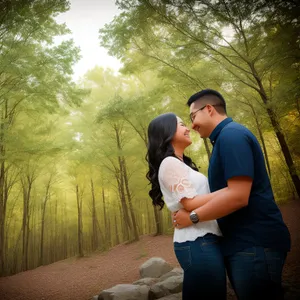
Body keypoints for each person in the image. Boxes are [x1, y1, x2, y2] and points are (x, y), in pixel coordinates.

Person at [173, 89, 291, 300]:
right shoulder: (224, 140)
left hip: (254, 244)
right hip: (244, 245)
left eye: (193, 117)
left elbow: (238, 195)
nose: (192, 125)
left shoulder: (232, 136)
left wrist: (192, 217)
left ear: (209, 109)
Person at [146, 113, 226, 299]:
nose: (187, 127)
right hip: (197, 242)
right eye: (181, 124)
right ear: (167, 132)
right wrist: (228, 192)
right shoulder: (170, 163)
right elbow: (189, 203)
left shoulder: (181, 164)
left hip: (203, 239)